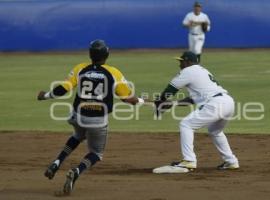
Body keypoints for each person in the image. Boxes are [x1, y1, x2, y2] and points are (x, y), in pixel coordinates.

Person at [37, 40, 145, 195]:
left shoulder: (80, 68)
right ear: (106, 55)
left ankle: (57, 162)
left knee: (78, 135)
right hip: (97, 120)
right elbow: (127, 98)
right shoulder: (113, 72)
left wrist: (45, 96)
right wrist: (139, 100)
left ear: (90, 55)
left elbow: (64, 88)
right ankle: (76, 171)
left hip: (77, 115)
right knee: (96, 153)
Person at [154, 51, 239, 172]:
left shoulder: (188, 71)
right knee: (215, 131)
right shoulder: (202, 71)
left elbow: (171, 89)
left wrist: (160, 101)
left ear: (187, 62)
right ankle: (231, 161)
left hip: (215, 104)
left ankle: (188, 160)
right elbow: (194, 99)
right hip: (227, 102)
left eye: (181, 62)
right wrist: (173, 103)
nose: (180, 64)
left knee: (186, 124)